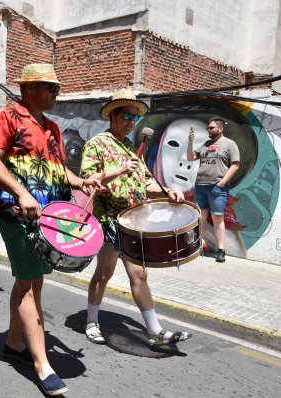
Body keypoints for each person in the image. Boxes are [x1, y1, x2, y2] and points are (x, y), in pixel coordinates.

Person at [0, 63, 103, 396]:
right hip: (18, 215)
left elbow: (58, 170)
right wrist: (21, 192)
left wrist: (82, 181)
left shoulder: (51, 127)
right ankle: (41, 364)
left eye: (57, 88)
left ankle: (12, 342)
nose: (56, 94)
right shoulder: (7, 119)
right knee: (32, 284)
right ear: (29, 89)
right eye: (51, 88)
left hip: (49, 220)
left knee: (29, 280)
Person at [79, 89, 192, 348]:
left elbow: (146, 183)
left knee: (139, 275)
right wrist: (119, 169)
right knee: (104, 273)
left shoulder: (131, 147)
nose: (131, 121)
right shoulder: (97, 143)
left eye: (134, 116)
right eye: (126, 115)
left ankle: (155, 330)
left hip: (134, 221)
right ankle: (92, 322)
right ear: (113, 116)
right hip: (109, 220)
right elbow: (89, 181)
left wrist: (168, 191)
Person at [187, 116, 240, 263]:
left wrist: (222, 182)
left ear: (220, 128)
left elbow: (235, 165)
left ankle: (221, 250)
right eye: (208, 128)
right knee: (201, 216)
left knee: (217, 218)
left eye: (211, 127)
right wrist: (190, 142)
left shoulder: (229, 144)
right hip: (200, 185)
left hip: (217, 187)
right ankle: (200, 245)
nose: (208, 130)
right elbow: (191, 157)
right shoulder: (205, 144)